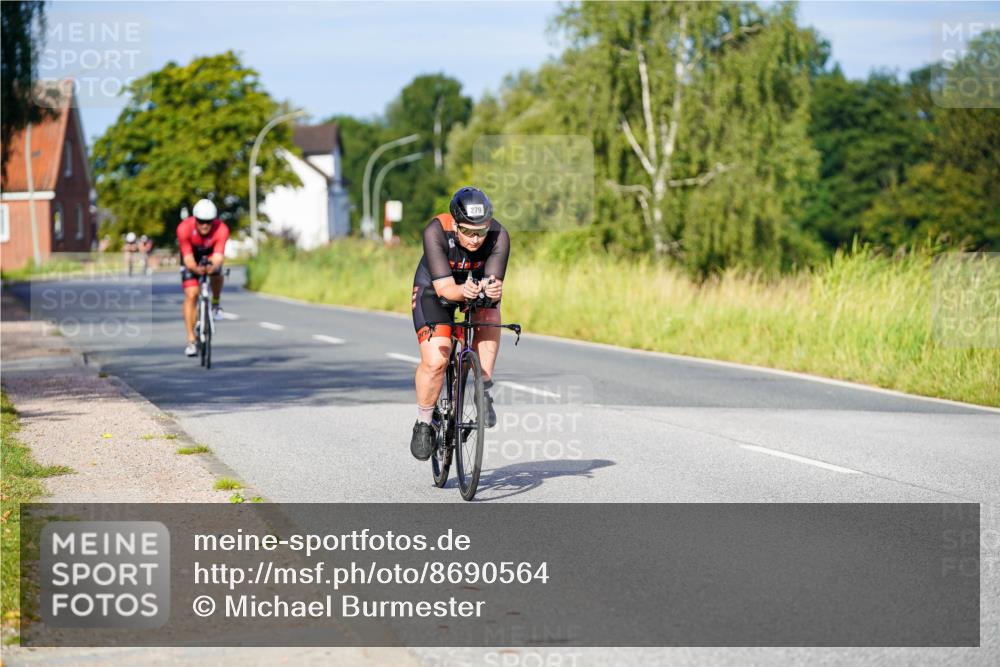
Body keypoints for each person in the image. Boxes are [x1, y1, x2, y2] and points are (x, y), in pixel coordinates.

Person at [409, 187, 509, 461]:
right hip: (435, 291)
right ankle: (423, 422)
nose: (477, 239)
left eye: (482, 231)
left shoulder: (499, 235)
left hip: (473, 289)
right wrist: (463, 290)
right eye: (468, 231)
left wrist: (493, 291)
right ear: (455, 225)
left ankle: (483, 388)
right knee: (436, 361)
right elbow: (444, 290)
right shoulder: (436, 231)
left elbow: (494, 283)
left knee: (490, 312)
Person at [177, 199, 230, 357]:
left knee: (218, 271)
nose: (205, 225)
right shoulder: (184, 228)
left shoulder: (222, 229)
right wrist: (196, 269)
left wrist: (211, 267)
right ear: (195, 219)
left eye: (208, 222)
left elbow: (219, 256)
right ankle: (191, 340)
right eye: (201, 222)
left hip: (211, 255)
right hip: (191, 256)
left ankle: (215, 302)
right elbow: (187, 259)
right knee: (191, 294)